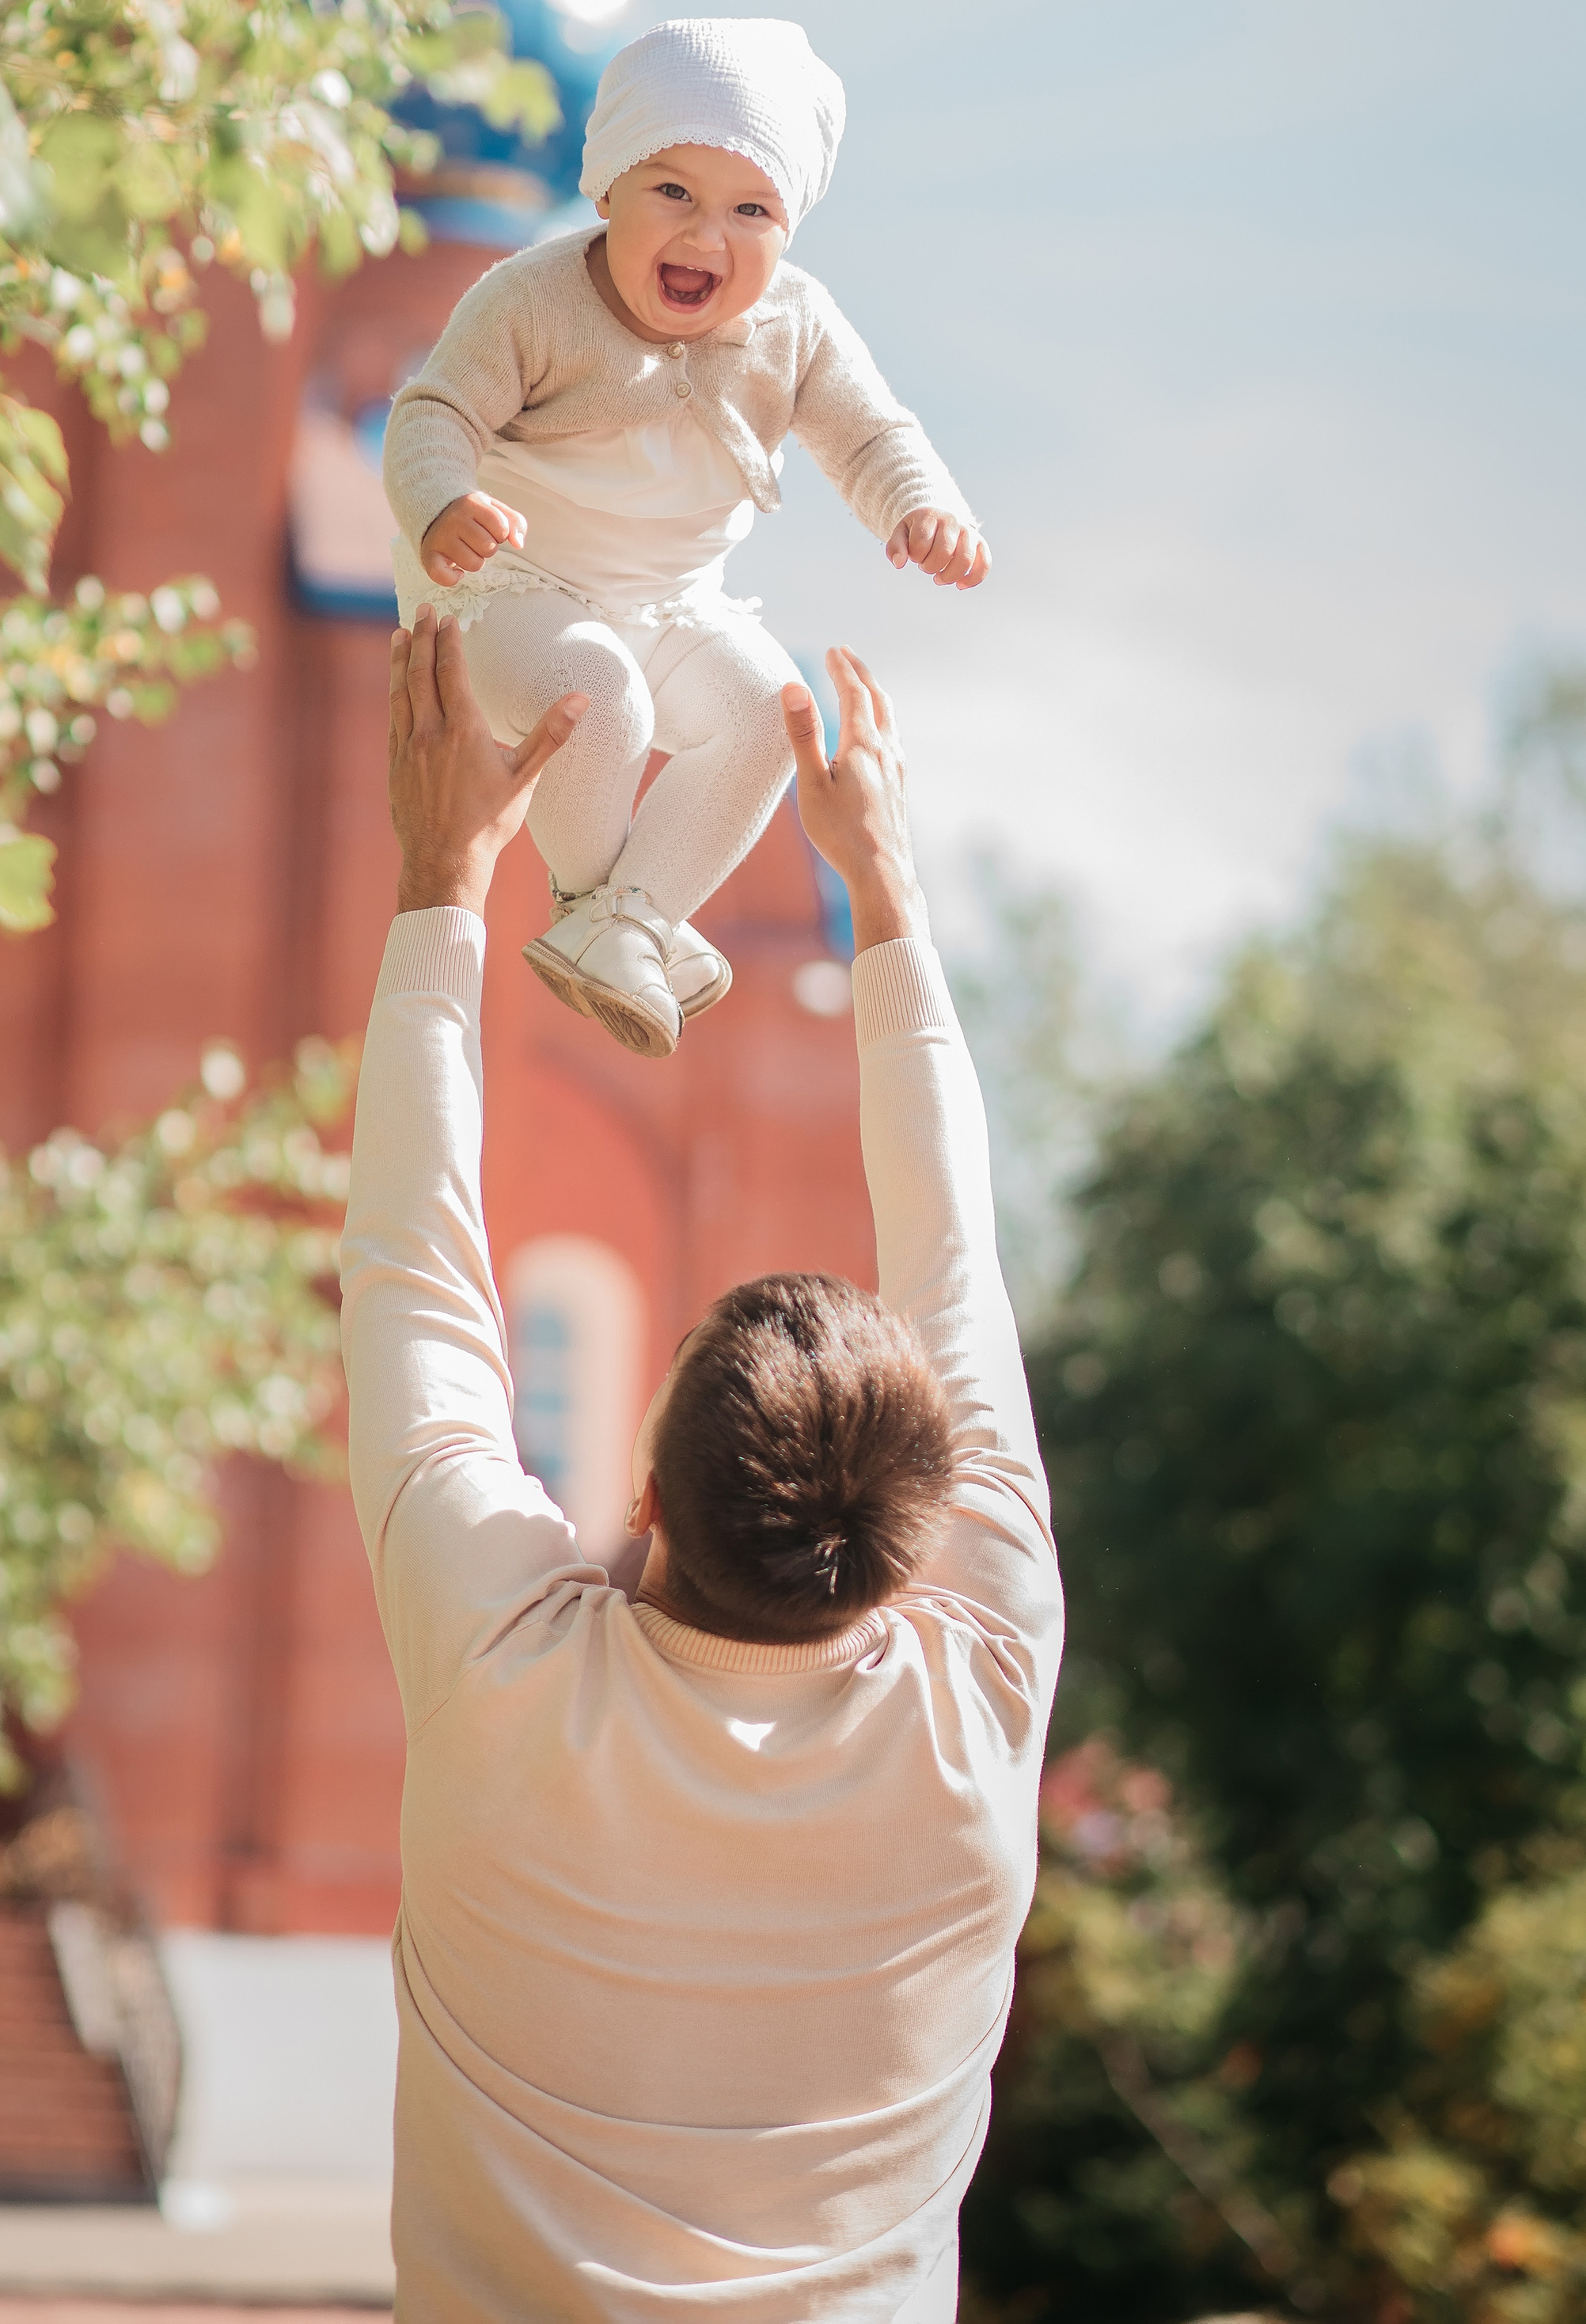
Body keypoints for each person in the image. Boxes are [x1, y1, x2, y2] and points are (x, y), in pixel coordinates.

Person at [339, 606, 1063, 2324]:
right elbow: (411, 1279)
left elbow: (417, 1270)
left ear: (648, 1497)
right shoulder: (978, 1698)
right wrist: (446, 880)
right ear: (921, 1542)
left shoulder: (515, 1672)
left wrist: (454, 875)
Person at [379, 17, 988, 1060]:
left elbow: (869, 431)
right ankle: (602, 912)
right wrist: (443, 506)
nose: (709, 236)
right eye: (674, 193)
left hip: (672, 598)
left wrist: (923, 506)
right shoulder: (534, 300)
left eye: (750, 211)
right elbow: (431, 414)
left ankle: (632, 925)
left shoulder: (797, 324)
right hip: (506, 578)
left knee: (773, 714)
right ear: (607, 190)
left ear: (788, 229)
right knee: (601, 695)